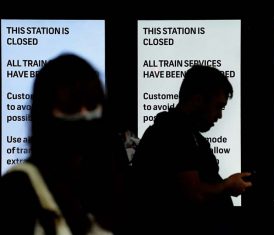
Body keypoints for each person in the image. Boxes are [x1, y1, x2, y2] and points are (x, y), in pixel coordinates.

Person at [129, 65, 253, 235]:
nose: (220, 115)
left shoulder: (183, 132)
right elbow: (193, 193)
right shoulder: (174, 132)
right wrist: (226, 185)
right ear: (197, 100)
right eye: (218, 106)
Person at [0, 53, 114, 235]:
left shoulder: (101, 186)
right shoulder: (18, 187)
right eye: (71, 107)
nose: (84, 115)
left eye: (92, 105)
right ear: (44, 113)